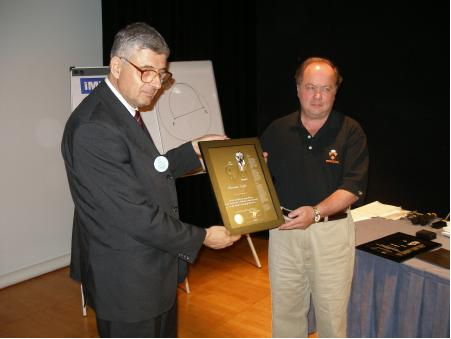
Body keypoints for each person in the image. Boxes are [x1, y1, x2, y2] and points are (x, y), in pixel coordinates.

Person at [61, 22, 240, 338]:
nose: (156, 83)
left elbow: (147, 169)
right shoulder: (95, 127)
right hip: (127, 281)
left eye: (161, 74)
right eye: (147, 71)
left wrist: (193, 150)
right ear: (116, 66)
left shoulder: (121, 110)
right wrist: (202, 237)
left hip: (149, 271)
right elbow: (134, 215)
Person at [261, 57, 369, 338]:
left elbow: (352, 188)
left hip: (330, 235)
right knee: (286, 314)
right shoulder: (276, 130)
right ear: (298, 88)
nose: (318, 96)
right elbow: (260, 181)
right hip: (284, 232)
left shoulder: (351, 131)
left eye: (326, 88)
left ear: (336, 91)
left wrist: (316, 212)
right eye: (310, 87)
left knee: (331, 318)